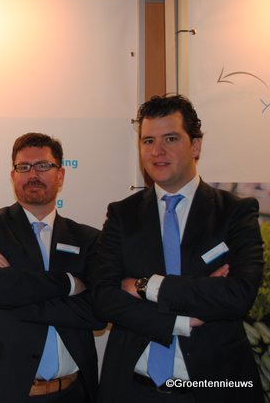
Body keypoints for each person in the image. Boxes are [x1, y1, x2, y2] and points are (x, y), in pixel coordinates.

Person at [91, 95, 264, 402]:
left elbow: (238, 296)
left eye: (170, 138)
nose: (157, 151)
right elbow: (104, 298)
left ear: (195, 146)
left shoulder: (235, 212)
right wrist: (180, 320)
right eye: (148, 141)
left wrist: (146, 286)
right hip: (133, 389)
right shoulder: (122, 214)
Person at [0, 133, 105, 403]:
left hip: (73, 393)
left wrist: (13, 286)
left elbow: (97, 313)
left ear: (60, 175)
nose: (33, 174)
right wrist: (68, 283)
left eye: (43, 165)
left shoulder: (88, 239)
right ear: (13, 176)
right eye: (24, 167)